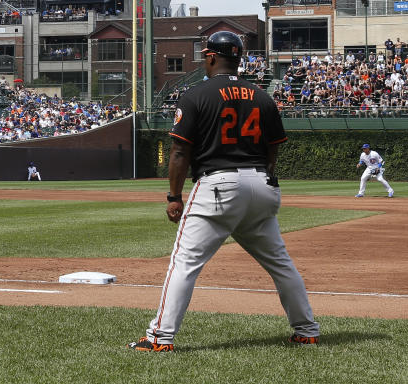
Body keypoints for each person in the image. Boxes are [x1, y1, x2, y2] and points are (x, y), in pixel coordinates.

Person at [128, 31, 320, 351]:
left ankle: (159, 337)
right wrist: (264, 179)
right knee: (281, 264)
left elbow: (179, 152)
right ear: (238, 58)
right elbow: (273, 150)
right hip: (262, 184)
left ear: (211, 57)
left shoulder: (196, 95)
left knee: (185, 262)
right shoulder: (262, 96)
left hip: (218, 185)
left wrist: (174, 197)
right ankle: (307, 330)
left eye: (205, 55)